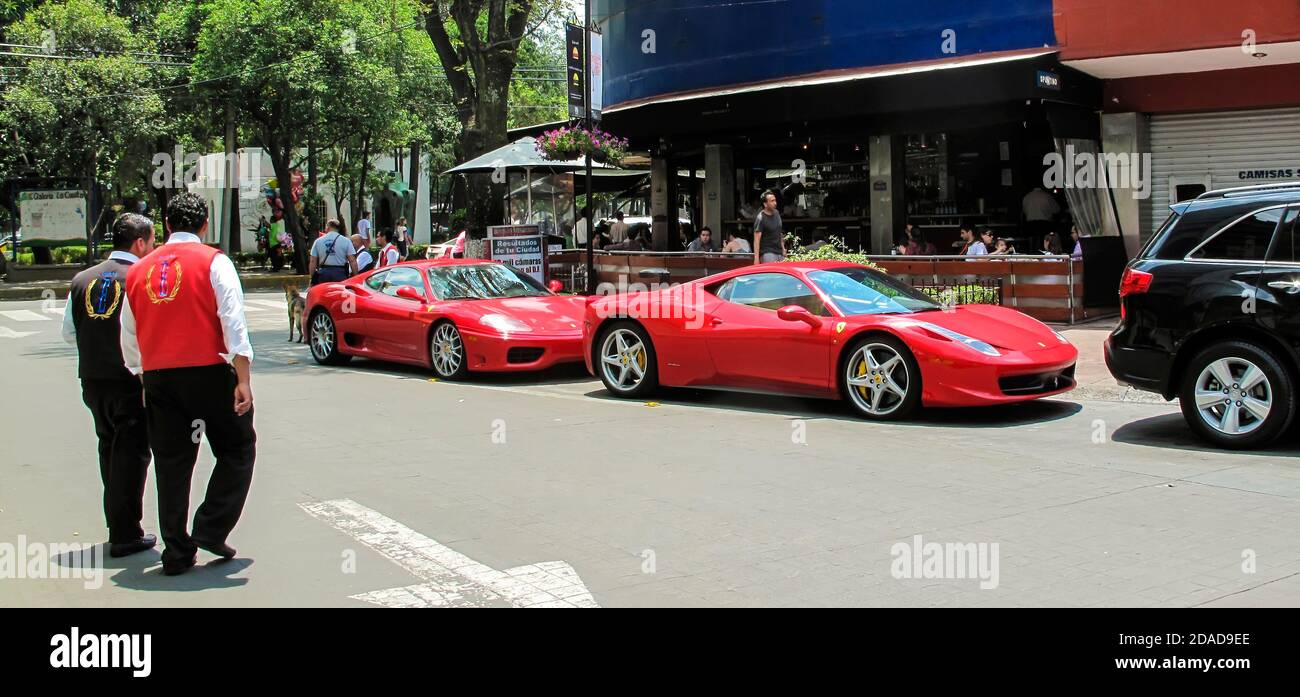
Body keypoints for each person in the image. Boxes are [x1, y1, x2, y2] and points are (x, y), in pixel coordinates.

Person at [120, 192, 256, 576]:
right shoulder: (216, 262)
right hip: (210, 371)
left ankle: (176, 552)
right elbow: (233, 320)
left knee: (171, 464)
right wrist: (242, 377)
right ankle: (211, 526)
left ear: (166, 225)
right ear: (205, 225)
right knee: (238, 447)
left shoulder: (139, 270)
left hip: (161, 377)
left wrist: (143, 374)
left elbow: (128, 335)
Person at [62, 213, 156, 559]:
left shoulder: (81, 278)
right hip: (128, 380)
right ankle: (125, 533)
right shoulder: (140, 277)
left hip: (92, 379)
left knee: (109, 449)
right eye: (152, 241)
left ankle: (117, 524)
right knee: (131, 455)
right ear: (140, 243)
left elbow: (69, 333)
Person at [308, 218, 357, 284]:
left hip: (323, 274)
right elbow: (352, 260)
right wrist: (356, 276)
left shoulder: (318, 241)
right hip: (340, 273)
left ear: (328, 227)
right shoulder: (346, 241)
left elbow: (313, 261)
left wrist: (312, 277)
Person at [753, 189, 786, 264]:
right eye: (772, 201)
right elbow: (756, 240)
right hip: (767, 253)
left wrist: (783, 248)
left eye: (775, 200)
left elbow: (779, 232)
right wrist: (756, 258)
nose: (775, 203)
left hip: (779, 252)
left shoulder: (777, 213)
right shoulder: (760, 218)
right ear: (765, 204)